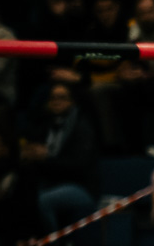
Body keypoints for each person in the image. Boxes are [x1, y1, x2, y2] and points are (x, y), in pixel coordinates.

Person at [22, 82, 100, 231]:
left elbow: (78, 166)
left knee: (43, 200)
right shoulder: (46, 125)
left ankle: (53, 243)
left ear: (72, 101)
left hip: (80, 186)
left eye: (62, 97)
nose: (56, 101)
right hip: (52, 182)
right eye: (53, 98)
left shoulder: (81, 127)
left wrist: (45, 158)